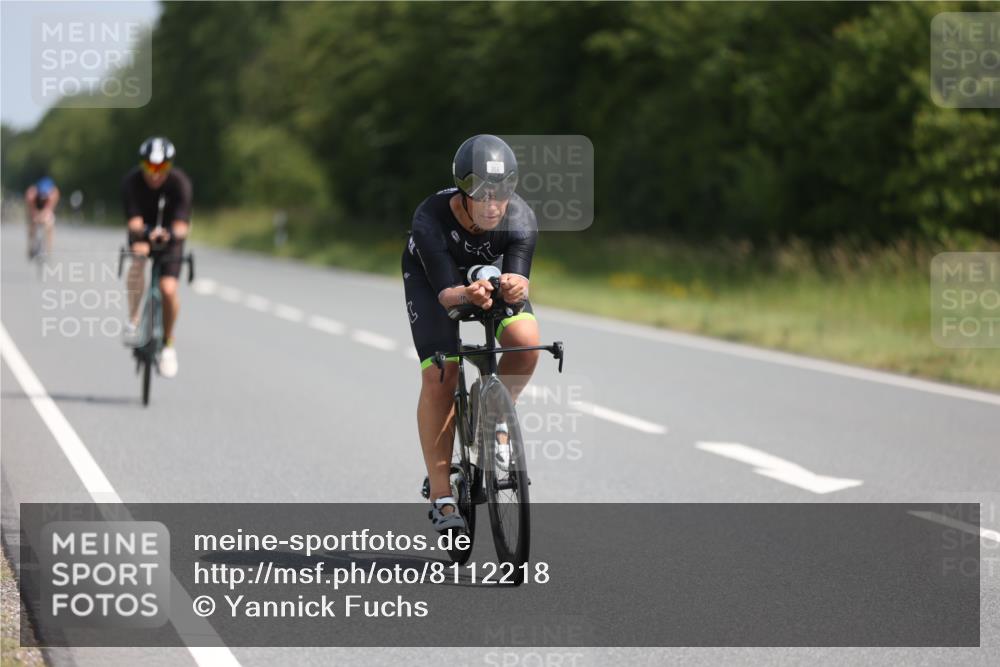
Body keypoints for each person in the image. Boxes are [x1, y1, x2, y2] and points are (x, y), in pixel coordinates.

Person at [402, 134, 540, 532]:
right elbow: (448, 296)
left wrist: (514, 286)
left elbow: (520, 279)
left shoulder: (521, 217)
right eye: (483, 195)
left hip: (487, 277)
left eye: (502, 193)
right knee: (441, 374)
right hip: (434, 282)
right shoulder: (430, 218)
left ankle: (495, 420)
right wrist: (467, 293)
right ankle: (442, 497)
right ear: (464, 192)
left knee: (527, 344)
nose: (494, 205)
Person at [122, 136, 192, 378]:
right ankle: (133, 320)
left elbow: (182, 226)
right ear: (142, 164)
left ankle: (168, 345)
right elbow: (133, 222)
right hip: (143, 234)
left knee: (168, 289)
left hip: (170, 237)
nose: (154, 174)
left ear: (169, 166)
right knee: (139, 256)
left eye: (161, 167)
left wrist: (170, 234)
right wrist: (147, 232)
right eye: (149, 166)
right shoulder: (132, 182)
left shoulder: (180, 183)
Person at [25, 176, 59, 258]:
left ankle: (48, 249)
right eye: (41, 194)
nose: (43, 197)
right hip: (35, 207)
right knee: (32, 223)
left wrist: (43, 217)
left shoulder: (54, 193)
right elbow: (31, 209)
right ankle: (31, 245)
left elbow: (49, 209)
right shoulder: (31, 193)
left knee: (49, 224)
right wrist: (35, 217)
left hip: (46, 208)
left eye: (45, 195)